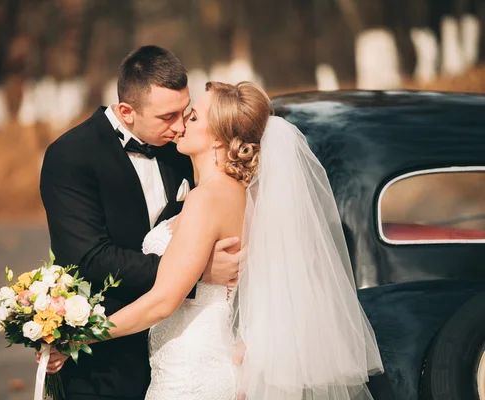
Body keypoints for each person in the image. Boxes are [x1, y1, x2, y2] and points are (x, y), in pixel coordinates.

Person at [44, 80, 385, 399]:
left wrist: (79, 335)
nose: (180, 126)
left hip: (190, 370)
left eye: (192, 117)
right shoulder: (241, 196)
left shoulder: (206, 199)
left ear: (219, 137)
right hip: (208, 356)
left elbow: (162, 301)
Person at [39, 46, 241, 400]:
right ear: (126, 111)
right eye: (167, 117)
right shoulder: (70, 156)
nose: (179, 127)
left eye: (186, 112)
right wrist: (195, 271)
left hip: (186, 352)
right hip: (104, 365)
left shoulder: (183, 150)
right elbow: (89, 259)